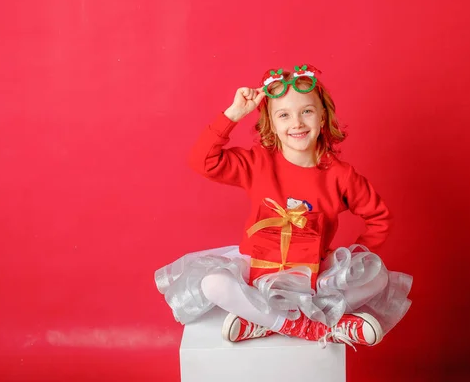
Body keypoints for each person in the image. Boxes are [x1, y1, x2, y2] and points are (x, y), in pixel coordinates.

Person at [155, 65, 412, 349]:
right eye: (284, 115)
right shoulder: (257, 163)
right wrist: (234, 114)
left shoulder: (341, 175)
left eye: (307, 111)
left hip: (310, 276)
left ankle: (262, 323)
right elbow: (202, 161)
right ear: (272, 123)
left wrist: (347, 261)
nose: (297, 123)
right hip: (256, 270)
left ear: (323, 115)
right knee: (212, 284)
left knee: (378, 276)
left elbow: (379, 218)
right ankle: (306, 326)